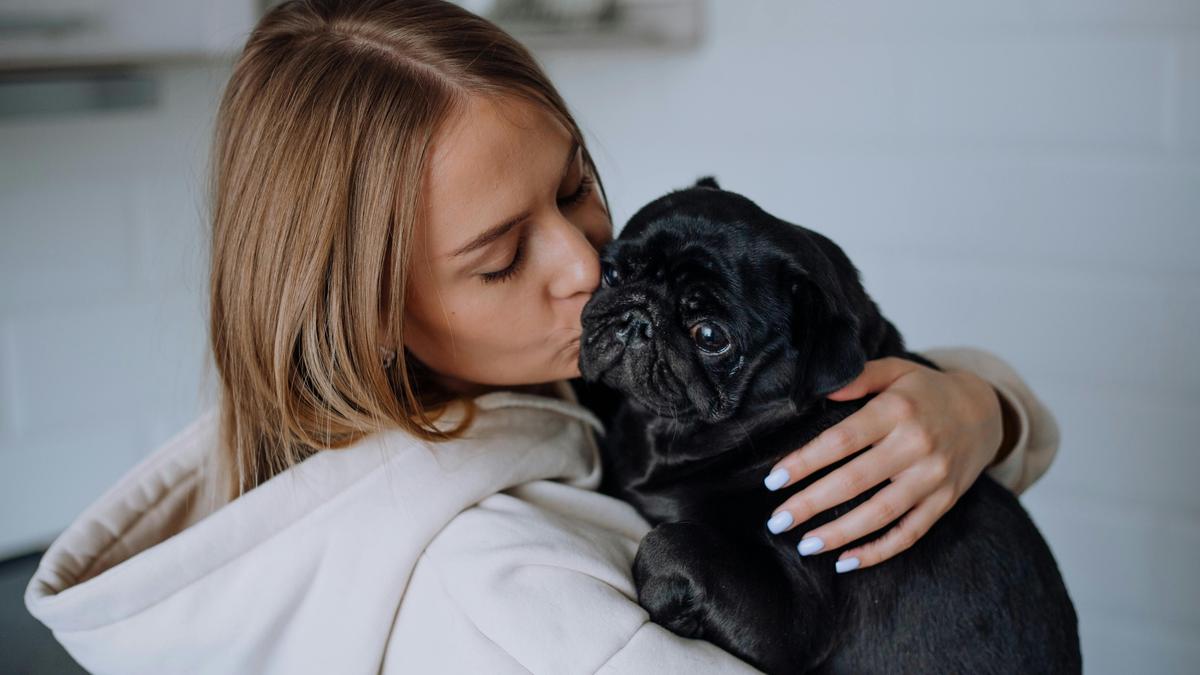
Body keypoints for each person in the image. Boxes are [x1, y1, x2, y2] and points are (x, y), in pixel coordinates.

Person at [24, 1, 1060, 673]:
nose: (582, 264)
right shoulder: (505, 591)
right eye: (500, 257)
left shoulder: (540, 390)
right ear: (366, 314)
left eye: (575, 188)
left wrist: (976, 400)